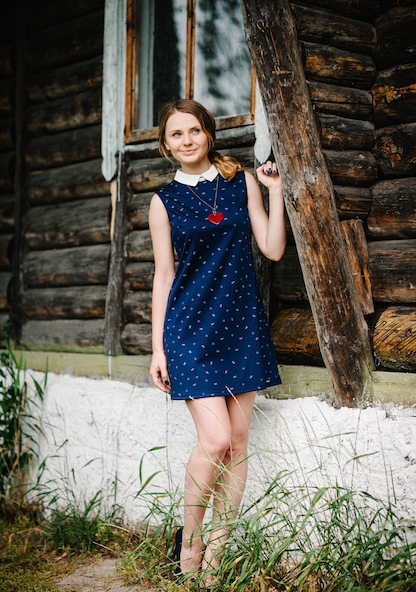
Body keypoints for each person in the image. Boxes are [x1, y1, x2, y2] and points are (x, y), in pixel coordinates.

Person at [148, 99, 286, 583]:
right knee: (217, 439)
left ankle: (218, 558)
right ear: (166, 146)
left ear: (208, 133)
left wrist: (277, 192)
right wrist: (157, 348)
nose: (186, 140)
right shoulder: (162, 202)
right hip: (188, 331)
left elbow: (270, 248)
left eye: (193, 131)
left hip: (240, 325)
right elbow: (163, 275)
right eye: (175, 135)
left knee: (239, 442)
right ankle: (190, 545)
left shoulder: (239, 181)